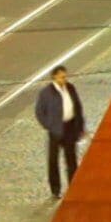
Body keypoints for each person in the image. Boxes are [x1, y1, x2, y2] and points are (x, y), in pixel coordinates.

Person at [34, 65, 87, 197]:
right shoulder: (46, 93)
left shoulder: (70, 88)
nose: (65, 79)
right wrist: (49, 125)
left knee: (71, 160)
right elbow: (39, 112)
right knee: (53, 161)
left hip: (70, 128)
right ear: (55, 77)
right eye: (62, 77)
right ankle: (55, 189)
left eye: (65, 76)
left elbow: (78, 107)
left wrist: (80, 127)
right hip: (56, 130)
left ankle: (73, 187)